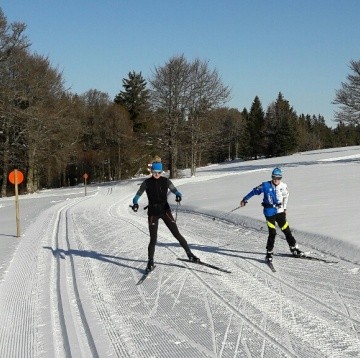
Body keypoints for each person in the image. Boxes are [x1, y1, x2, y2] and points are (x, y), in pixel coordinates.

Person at [131, 161, 200, 271]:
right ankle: (150, 262)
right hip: (153, 212)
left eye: (159, 172)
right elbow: (137, 196)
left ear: (162, 172)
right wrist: (135, 203)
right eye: (154, 172)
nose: (157, 174)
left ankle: (189, 254)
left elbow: (176, 191)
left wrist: (178, 196)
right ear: (151, 172)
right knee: (153, 238)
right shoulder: (147, 182)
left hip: (165, 211)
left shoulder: (166, 181)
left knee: (177, 234)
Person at [240, 167, 303, 262]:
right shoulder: (265, 185)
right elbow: (254, 191)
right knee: (272, 233)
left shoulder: (283, 186)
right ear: (272, 177)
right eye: (274, 177)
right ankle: (269, 252)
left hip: (280, 211)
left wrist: (284, 208)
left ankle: (293, 248)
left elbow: (286, 196)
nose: (276, 180)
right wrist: (245, 199)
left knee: (286, 230)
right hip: (269, 212)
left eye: (278, 178)